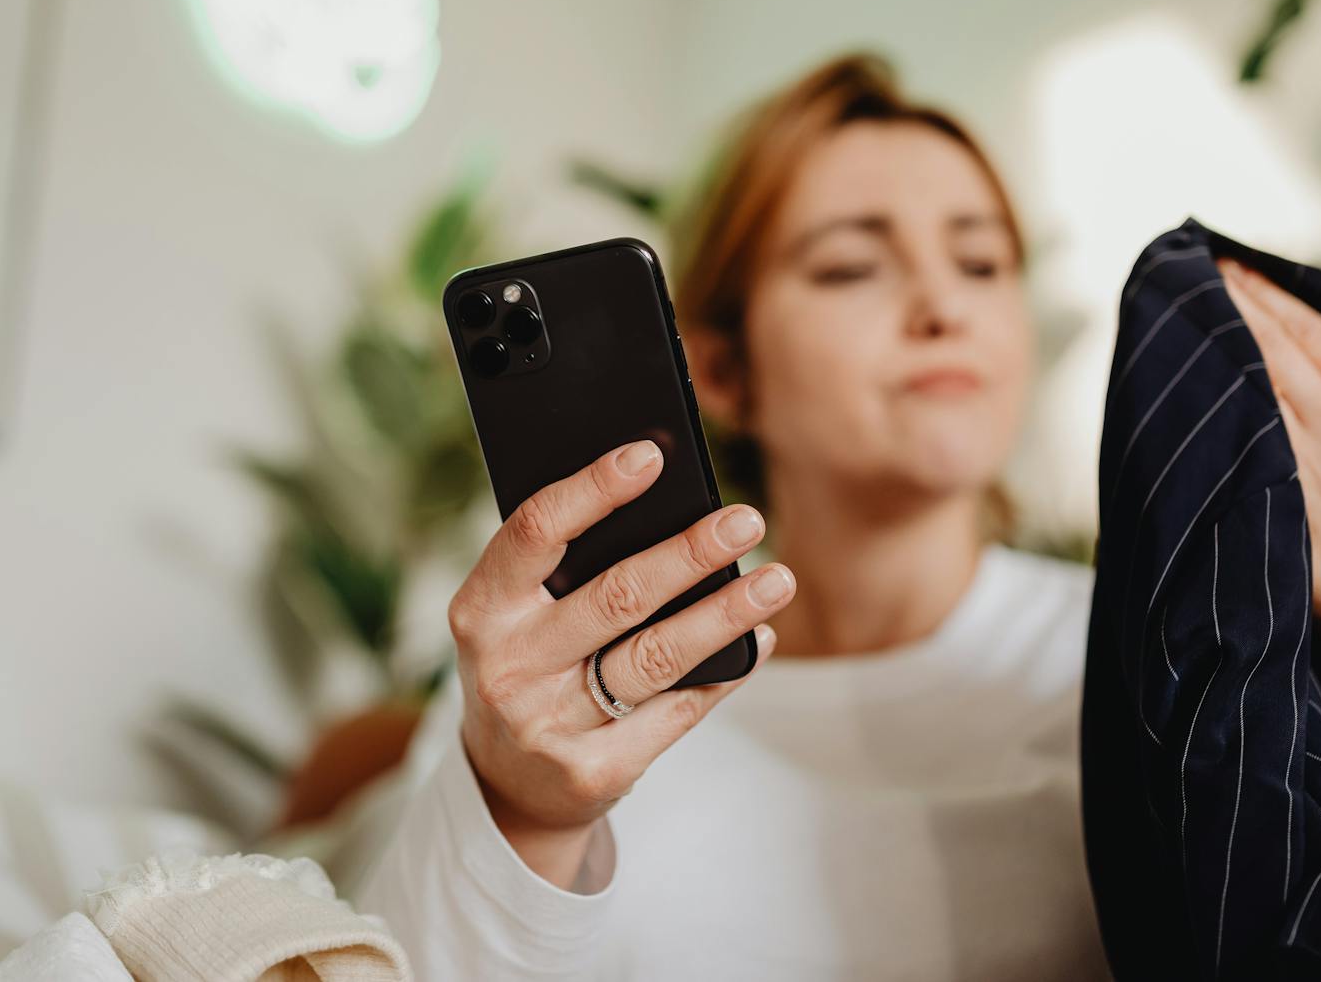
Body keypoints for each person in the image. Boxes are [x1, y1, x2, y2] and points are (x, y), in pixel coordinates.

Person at [356, 52, 1109, 979]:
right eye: (851, 266)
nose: (944, 305)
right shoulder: (538, 688)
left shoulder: (1142, 650)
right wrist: (522, 812)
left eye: (983, 261)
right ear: (720, 369)